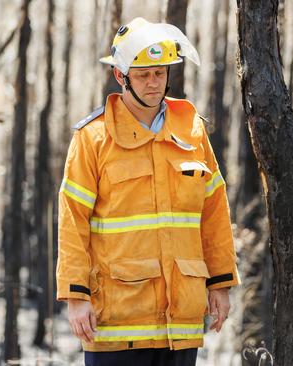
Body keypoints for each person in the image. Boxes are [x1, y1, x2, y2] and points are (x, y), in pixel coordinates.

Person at [56, 17, 240, 366]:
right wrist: (75, 296)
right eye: (143, 75)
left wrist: (220, 284)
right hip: (117, 320)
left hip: (180, 320)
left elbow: (214, 212)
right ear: (120, 76)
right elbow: (72, 221)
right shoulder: (93, 138)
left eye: (160, 73)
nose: (154, 83)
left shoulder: (192, 132)